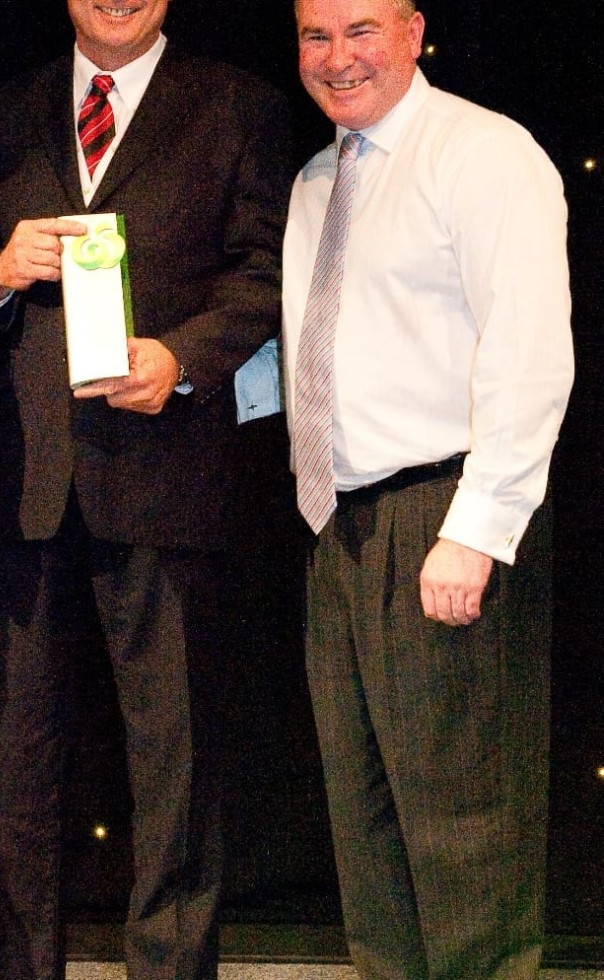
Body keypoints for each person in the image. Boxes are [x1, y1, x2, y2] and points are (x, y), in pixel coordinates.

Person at [0, 1, 295, 976]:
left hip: (169, 482)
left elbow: (269, 272)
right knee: (11, 772)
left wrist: (180, 358)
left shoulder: (238, 107)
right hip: (22, 492)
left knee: (176, 769)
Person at [282, 0, 573, 976]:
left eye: (359, 29)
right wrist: (178, 374)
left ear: (411, 31)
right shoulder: (318, 181)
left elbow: (527, 351)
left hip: (440, 517)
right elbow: (328, 350)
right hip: (340, 529)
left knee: (464, 839)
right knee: (369, 843)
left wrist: (477, 528)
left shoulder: (482, 153)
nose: (336, 56)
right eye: (314, 36)